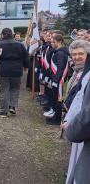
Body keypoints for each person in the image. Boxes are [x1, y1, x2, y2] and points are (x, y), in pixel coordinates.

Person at [61, 40, 90, 184]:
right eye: (74, 54)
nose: (77, 57)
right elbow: (78, 96)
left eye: (81, 54)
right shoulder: (82, 72)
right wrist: (68, 119)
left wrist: (73, 126)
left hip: (83, 127)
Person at [0, 28, 29, 117]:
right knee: (15, 89)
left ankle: (3, 111)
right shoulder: (20, 45)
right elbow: (26, 56)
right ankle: (12, 107)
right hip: (16, 70)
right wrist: (26, 66)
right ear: (12, 34)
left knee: (4, 90)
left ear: (2, 35)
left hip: (2, 71)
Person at [46, 34, 70, 125]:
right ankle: (55, 116)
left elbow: (60, 68)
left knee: (58, 100)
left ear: (59, 42)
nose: (52, 43)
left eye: (54, 42)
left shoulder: (60, 53)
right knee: (55, 99)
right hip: (56, 79)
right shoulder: (57, 52)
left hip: (59, 81)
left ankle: (57, 119)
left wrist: (55, 81)